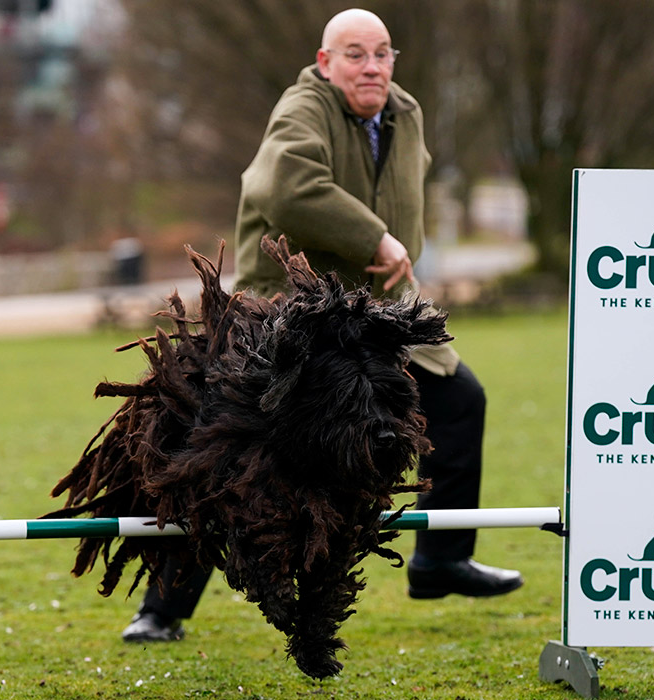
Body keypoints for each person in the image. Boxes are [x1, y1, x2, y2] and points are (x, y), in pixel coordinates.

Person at [122, 7, 522, 643]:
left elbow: (404, 200)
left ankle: (441, 559)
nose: (372, 66)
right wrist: (377, 238)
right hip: (291, 321)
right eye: (355, 54)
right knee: (229, 454)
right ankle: (161, 608)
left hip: (376, 319)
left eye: (382, 53)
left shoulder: (405, 113)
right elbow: (289, 190)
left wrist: (401, 279)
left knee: (458, 400)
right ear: (325, 61)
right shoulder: (302, 109)